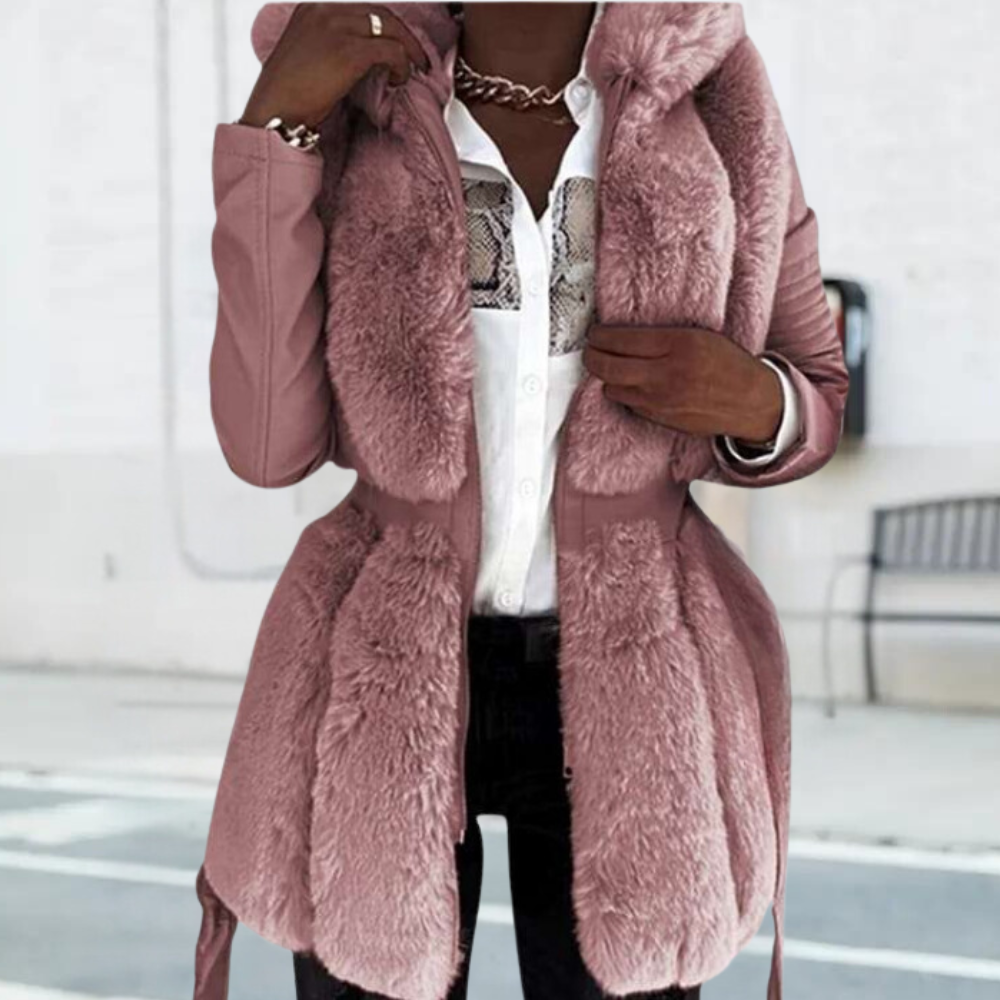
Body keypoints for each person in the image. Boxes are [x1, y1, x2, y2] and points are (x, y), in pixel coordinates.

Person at [193, 4, 850, 1000]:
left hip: (635, 677)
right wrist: (274, 124)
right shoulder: (350, 87)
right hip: (384, 669)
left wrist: (756, 401)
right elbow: (266, 444)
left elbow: (815, 392)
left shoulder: (711, 83)